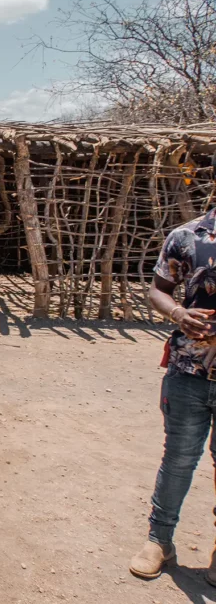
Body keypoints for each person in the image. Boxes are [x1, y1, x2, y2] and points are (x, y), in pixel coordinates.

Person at [129, 191, 216, 584]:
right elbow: (157, 290)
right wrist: (180, 313)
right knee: (178, 459)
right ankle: (159, 540)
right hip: (188, 371)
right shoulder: (187, 236)